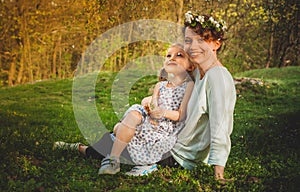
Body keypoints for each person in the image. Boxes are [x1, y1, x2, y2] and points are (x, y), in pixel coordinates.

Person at [55, 11, 236, 180]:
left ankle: (82, 150)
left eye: (201, 40)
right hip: (170, 138)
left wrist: (218, 175)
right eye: (189, 41)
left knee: (117, 142)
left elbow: (221, 127)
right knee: (123, 132)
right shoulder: (198, 71)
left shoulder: (218, 77)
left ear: (216, 43)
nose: (193, 46)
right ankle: (83, 148)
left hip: (177, 154)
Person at [54, 43, 195, 176]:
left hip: (163, 130)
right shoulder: (160, 85)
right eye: (168, 55)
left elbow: (181, 115)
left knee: (112, 138)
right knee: (133, 115)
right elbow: (153, 104)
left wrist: (163, 113)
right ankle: (113, 160)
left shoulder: (189, 86)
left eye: (179, 55)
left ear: (190, 66)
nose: (172, 58)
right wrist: (150, 108)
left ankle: (81, 148)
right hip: (149, 123)